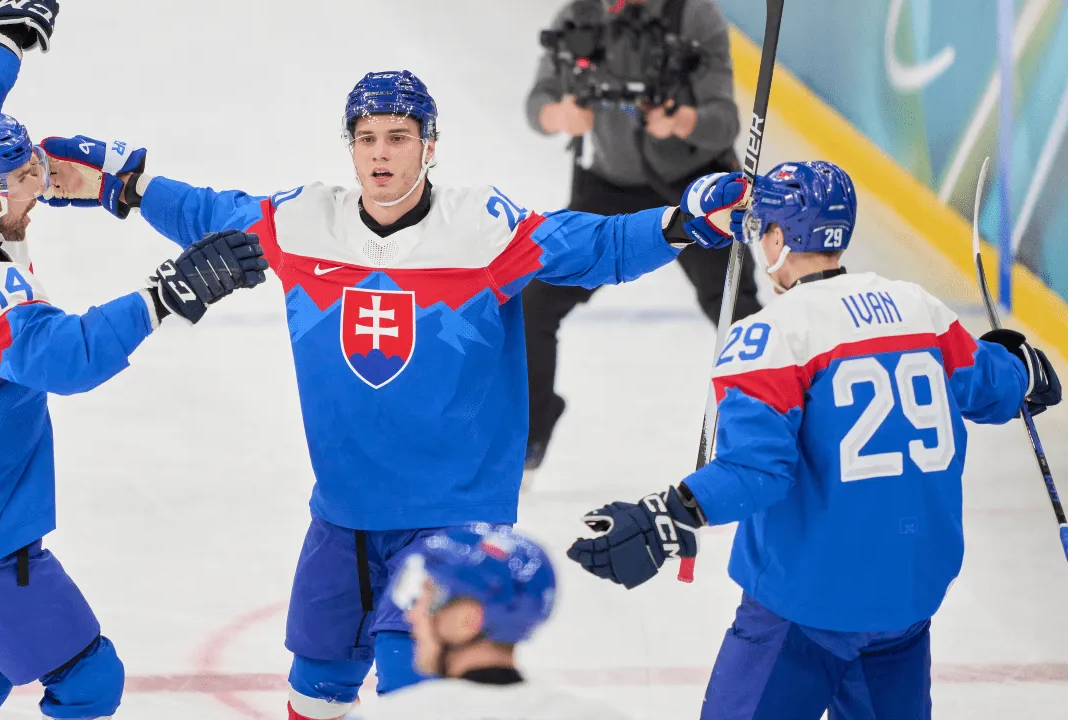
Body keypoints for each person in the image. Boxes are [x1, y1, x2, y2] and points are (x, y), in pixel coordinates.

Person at [42, 69, 749, 719]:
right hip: (344, 516)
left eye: (400, 138)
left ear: (430, 146)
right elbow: (208, 215)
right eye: (367, 138)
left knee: (425, 699)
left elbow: (595, 245)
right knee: (314, 689)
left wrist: (681, 223)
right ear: (350, 148)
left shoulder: (483, 231)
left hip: (455, 523)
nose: (382, 154)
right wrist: (120, 185)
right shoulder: (302, 222)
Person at [0, 5, 267, 719]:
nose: (44, 183)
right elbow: (67, 357)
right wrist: (169, 292)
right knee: (89, 684)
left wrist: (6, 39)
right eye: (25, 177)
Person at [566, 161, 1063, 719]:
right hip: (908, 591)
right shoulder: (919, 310)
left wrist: (666, 514)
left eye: (762, 231)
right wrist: (1018, 363)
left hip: (806, 605)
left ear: (779, 237)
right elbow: (994, 388)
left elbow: (755, 472)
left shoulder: (772, 336)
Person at [523, 0, 762, 469]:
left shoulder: (694, 16)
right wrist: (559, 114)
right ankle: (533, 428)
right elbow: (538, 101)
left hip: (695, 182)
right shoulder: (579, 14)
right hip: (608, 185)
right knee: (535, 303)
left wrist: (683, 122)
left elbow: (725, 120)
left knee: (739, 313)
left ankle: (764, 425)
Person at [347, 524, 629, 720]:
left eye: (427, 599)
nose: (412, 615)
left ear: (467, 620)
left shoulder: (389, 716)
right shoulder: (596, 716)